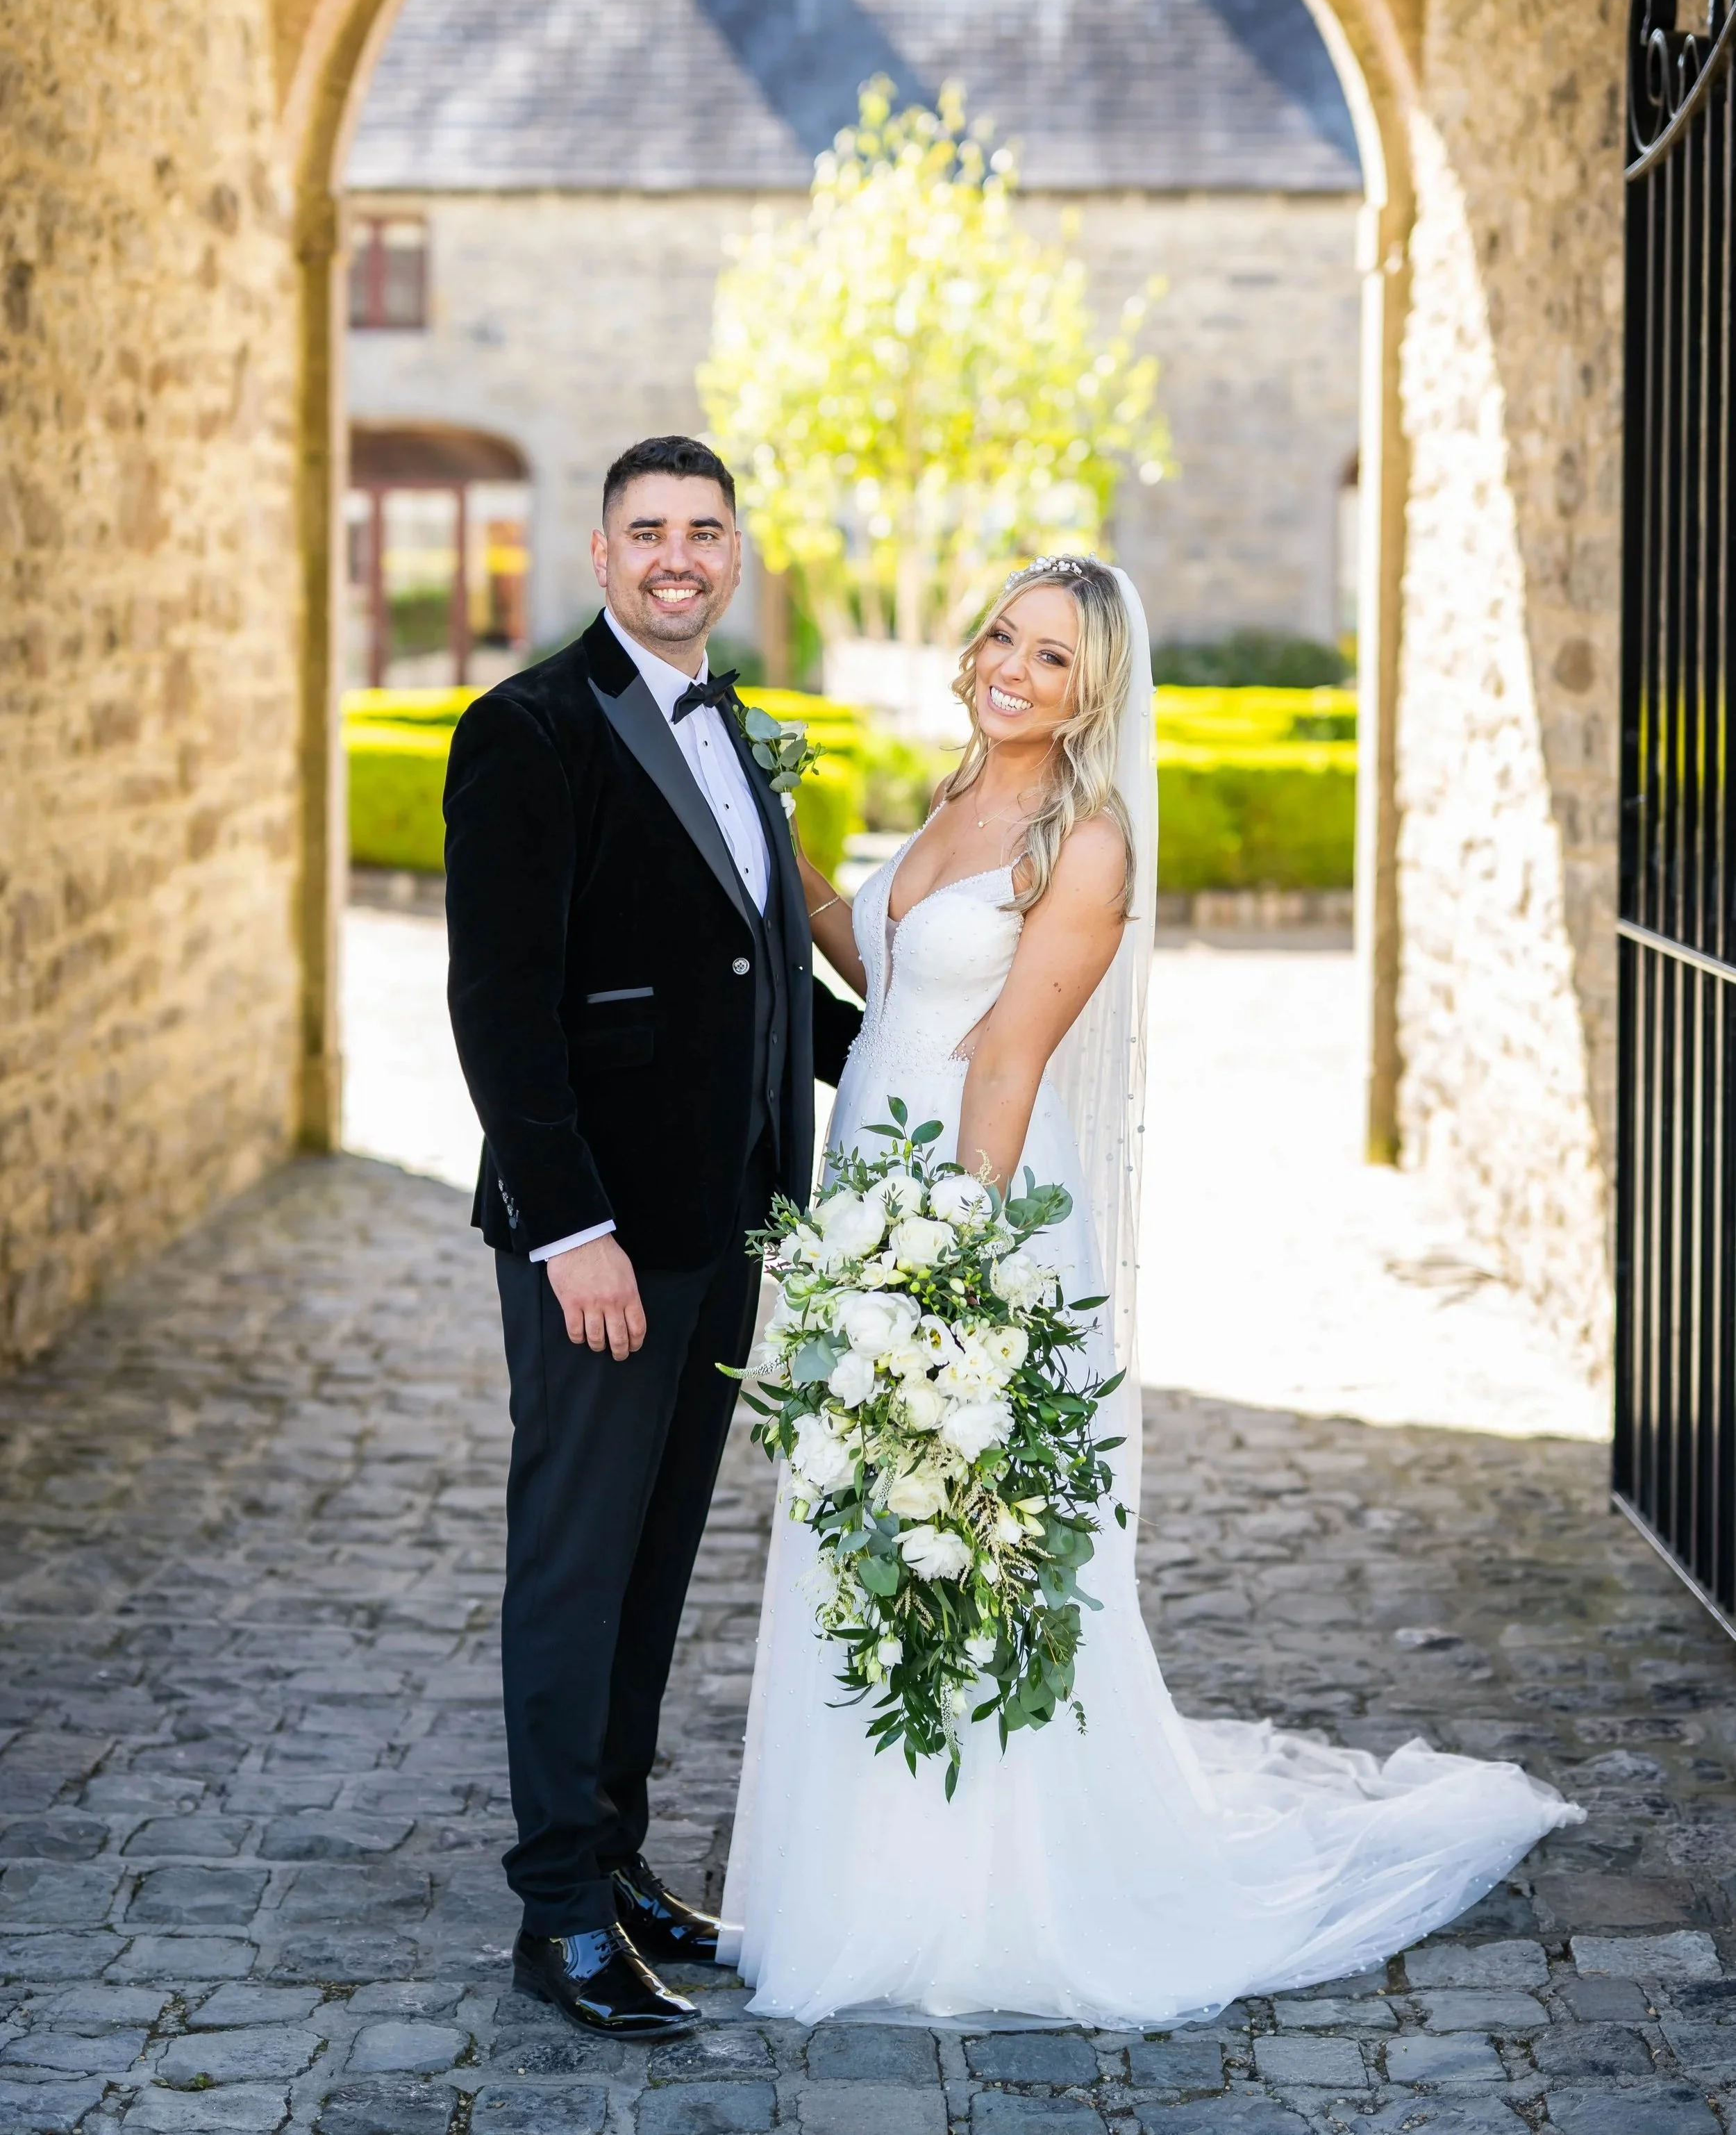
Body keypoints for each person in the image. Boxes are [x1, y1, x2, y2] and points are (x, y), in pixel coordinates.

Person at [720, 554, 1580, 2025]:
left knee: (959, 1544)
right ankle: (852, 1877)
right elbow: (883, 963)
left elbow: (1002, 1056)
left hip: (959, 1219)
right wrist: (777, 834)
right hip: (876, 1190)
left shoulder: (1085, 842)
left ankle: (971, 1903)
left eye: (1050, 657)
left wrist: (939, 1279)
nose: (1010, 666)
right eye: (1001, 634)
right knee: (862, 1538)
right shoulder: (950, 795)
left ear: (1092, 690)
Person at [443, 436, 860, 2038]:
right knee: (570, 1562)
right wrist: (573, 1229)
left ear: (734, 554)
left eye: (704, 529)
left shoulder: (740, 728)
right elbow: (503, 1008)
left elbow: (746, 980)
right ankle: (555, 1910)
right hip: (603, 1241)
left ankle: (613, 1860)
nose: (677, 555)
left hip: (731, 1221)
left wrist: (908, 1047)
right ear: (600, 555)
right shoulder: (528, 729)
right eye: (647, 532)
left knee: (651, 1561)